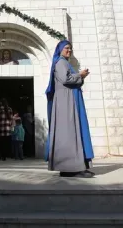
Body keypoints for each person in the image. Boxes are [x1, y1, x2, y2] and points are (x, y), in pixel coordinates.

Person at [45, 40, 94, 178]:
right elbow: (66, 79)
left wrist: (79, 76)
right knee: (68, 133)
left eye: (71, 48)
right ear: (60, 49)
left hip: (68, 100)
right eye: (66, 48)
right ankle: (71, 168)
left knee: (71, 133)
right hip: (65, 102)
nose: (69, 50)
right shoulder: (60, 62)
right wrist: (81, 75)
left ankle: (73, 167)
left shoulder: (65, 62)